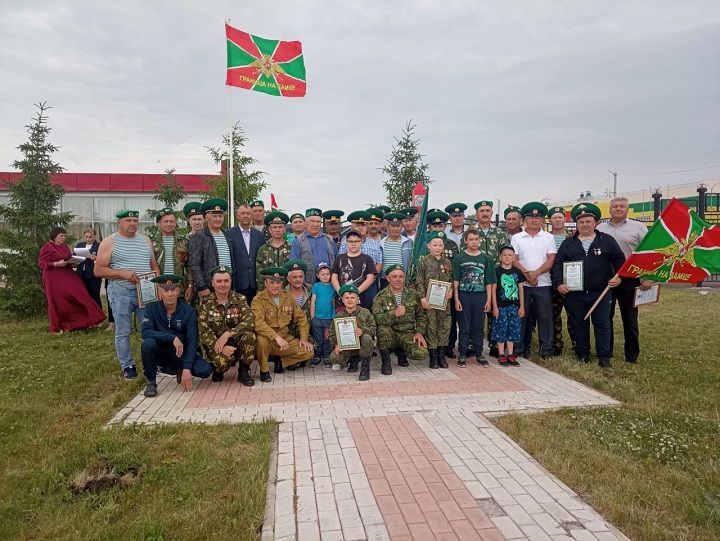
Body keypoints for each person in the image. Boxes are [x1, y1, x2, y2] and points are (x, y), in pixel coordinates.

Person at [552, 203, 625, 368]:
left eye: (588, 221)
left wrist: (618, 278)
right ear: (576, 224)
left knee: (602, 324)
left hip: (600, 291)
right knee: (578, 323)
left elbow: (620, 261)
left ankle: (604, 356)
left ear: (595, 222)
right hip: (575, 293)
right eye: (581, 222)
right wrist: (559, 284)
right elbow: (557, 264)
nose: (585, 225)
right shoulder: (568, 243)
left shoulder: (607, 240)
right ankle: (582, 354)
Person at [95, 209, 160, 379]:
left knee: (150, 328)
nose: (132, 223)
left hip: (145, 292)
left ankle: (154, 362)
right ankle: (128, 365)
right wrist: (122, 273)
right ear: (119, 223)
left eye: (135, 220)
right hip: (121, 291)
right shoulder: (110, 242)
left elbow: (153, 266)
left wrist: (158, 285)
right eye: (128, 220)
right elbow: (98, 270)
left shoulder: (145, 241)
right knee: (123, 330)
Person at [596, 196, 652, 364]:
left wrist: (646, 277)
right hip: (607, 279)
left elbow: (648, 253)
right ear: (610, 209)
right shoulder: (600, 228)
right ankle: (607, 352)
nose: (618, 209)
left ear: (627, 209)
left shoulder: (638, 227)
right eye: (615, 206)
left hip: (630, 279)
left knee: (630, 319)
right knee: (605, 318)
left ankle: (632, 355)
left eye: (621, 206)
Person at [140, 274, 213, 397]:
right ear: (159, 292)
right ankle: (151, 382)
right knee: (147, 344)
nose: (170, 294)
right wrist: (172, 337)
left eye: (173, 290)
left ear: (178, 290)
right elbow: (145, 332)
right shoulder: (151, 308)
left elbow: (192, 341)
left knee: (205, 370)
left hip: (180, 354)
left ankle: (179, 369)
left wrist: (187, 368)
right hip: (161, 352)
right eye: (166, 290)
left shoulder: (188, 311)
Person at [197, 265, 260, 384]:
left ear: (231, 282)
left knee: (250, 336)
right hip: (216, 345)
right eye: (219, 281)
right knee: (221, 363)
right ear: (213, 283)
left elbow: (249, 321)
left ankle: (243, 371)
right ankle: (218, 370)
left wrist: (228, 334)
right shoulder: (206, 304)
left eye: (226, 281)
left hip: (237, 343)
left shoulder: (240, 299)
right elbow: (204, 332)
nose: (222, 284)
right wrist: (219, 345)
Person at [511, 202, 557, 360]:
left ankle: (547, 350)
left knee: (545, 317)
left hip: (543, 284)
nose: (534, 219)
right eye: (530, 216)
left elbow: (551, 259)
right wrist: (528, 276)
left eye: (538, 217)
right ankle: (519, 348)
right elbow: (514, 259)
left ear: (542, 220)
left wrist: (535, 274)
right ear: (524, 219)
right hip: (522, 285)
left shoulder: (549, 237)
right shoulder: (516, 238)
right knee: (521, 316)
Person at [38, 227, 106, 333]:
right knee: (60, 299)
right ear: (54, 236)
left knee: (80, 293)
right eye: (61, 236)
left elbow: (69, 258)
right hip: (53, 277)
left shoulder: (64, 246)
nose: (63, 238)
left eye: (64, 236)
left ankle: (85, 320)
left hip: (67, 273)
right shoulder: (47, 247)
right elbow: (42, 264)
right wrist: (56, 264)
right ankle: (61, 323)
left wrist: (74, 262)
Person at [252, 267, 314, 372]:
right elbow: (258, 323)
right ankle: (264, 370)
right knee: (261, 341)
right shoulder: (258, 299)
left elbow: (302, 318)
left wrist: (303, 339)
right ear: (265, 283)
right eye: (271, 282)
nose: (275, 286)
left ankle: (280, 361)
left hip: (285, 338)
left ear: (282, 284)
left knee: (308, 351)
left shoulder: (287, 297)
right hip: (268, 339)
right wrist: (276, 337)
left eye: (278, 283)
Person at [372, 265, 428, 373]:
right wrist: (394, 314)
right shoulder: (380, 296)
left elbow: (421, 316)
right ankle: (386, 362)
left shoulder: (412, 294)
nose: (398, 279)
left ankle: (401, 354)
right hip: (390, 332)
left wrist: (419, 333)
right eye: (394, 277)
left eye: (401, 276)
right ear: (388, 278)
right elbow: (377, 319)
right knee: (382, 331)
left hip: (407, 332)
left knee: (421, 353)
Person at [453, 229, 495, 367]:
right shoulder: (459, 258)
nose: (474, 242)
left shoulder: (486, 258)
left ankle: (479, 354)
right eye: (471, 239)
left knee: (478, 326)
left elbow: (489, 282)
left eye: (476, 239)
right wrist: (457, 299)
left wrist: (488, 300)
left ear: (480, 240)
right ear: (466, 241)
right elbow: (456, 280)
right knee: (464, 327)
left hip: (480, 296)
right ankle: (463, 354)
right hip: (464, 295)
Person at [473, 200, 508, 357]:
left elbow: (505, 255)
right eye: (482, 211)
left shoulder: (500, 233)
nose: (485, 213)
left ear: (492, 213)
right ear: (477, 214)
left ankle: (495, 345)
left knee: (496, 311)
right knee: (477, 314)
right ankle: (474, 345)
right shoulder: (471, 233)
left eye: (488, 210)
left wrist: (493, 272)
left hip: (496, 278)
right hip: (476, 279)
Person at [416, 231, 454, 369]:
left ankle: (441, 355)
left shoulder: (447, 262)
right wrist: (422, 298)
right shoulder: (424, 262)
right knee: (431, 326)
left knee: (444, 326)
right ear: (428, 246)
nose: (438, 247)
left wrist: (451, 291)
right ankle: (433, 357)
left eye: (440, 245)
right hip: (429, 302)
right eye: (435, 245)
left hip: (444, 302)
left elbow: (451, 280)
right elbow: (419, 281)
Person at [188, 198, 235, 302]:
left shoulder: (228, 236)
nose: (218, 219)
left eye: (220, 216)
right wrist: (202, 287)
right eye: (214, 216)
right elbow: (194, 264)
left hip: (227, 286)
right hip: (209, 288)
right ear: (206, 218)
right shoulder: (198, 237)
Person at [329, 283, 377, 380]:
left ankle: (365, 369)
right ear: (342, 300)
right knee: (334, 358)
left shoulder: (365, 312)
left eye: (352, 297)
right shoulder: (338, 316)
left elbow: (373, 328)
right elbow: (332, 333)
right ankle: (353, 361)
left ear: (357, 299)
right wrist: (336, 345)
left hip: (362, 345)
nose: (350, 300)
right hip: (347, 346)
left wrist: (362, 330)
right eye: (347, 298)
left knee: (367, 338)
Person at [338, 210, 383, 305]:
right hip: (350, 284)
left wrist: (371, 277)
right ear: (352, 226)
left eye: (363, 225)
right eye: (357, 225)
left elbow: (379, 262)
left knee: (370, 309)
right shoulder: (345, 243)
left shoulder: (375, 243)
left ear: (367, 226)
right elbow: (341, 263)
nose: (360, 228)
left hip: (370, 284)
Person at [491, 246, 526, 367]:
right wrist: (494, 307)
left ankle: (510, 354)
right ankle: (501, 354)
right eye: (504, 255)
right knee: (501, 328)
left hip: (514, 306)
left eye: (510, 255)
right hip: (501, 306)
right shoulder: (496, 271)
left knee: (513, 329)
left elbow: (521, 289)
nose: (507, 257)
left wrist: (522, 307)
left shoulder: (517, 272)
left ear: (513, 258)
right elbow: (493, 289)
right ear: (500, 257)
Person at [226, 202, 265, 305]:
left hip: (254, 284)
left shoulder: (259, 235)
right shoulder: (229, 234)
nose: (246, 216)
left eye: (248, 213)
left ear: (252, 215)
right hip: (237, 283)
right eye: (243, 213)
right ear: (237, 215)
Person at [443, 202, 468, 358]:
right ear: (450, 218)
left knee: (465, 315)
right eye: (454, 216)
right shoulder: (445, 234)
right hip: (448, 281)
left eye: (460, 216)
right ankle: (450, 345)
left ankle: (467, 346)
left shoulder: (472, 233)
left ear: (464, 216)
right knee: (450, 315)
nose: (457, 218)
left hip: (468, 282)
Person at [547, 206, 572, 355]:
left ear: (565, 219)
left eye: (560, 217)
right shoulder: (545, 237)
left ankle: (577, 345)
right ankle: (556, 345)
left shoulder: (573, 238)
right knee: (553, 314)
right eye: (554, 217)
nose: (557, 220)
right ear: (550, 220)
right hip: (550, 281)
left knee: (573, 314)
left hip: (569, 281)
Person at [150, 208, 190, 299]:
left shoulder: (184, 242)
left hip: (178, 288)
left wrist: (190, 285)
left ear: (175, 223)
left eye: (171, 221)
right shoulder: (150, 242)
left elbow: (189, 266)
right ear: (159, 223)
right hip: (158, 287)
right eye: (165, 221)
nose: (169, 224)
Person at [290, 208, 337, 283]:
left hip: (329, 285)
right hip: (308, 284)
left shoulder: (330, 240)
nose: (315, 224)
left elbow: (337, 262)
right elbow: (294, 266)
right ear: (305, 222)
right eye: (312, 221)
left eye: (318, 222)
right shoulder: (298, 241)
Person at [332, 230, 377, 309]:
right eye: (350, 241)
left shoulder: (367, 259)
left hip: (361, 300)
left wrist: (356, 293)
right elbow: (334, 276)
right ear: (346, 243)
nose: (353, 244)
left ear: (361, 242)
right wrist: (341, 292)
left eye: (356, 241)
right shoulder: (339, 258)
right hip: (341, 300)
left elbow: (370, 278)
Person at [284, 259, 313, 362]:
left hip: (306, 332)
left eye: (301, 277)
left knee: (310, 351)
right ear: (288, 279)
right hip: (288, 334)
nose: (298, 280)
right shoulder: (282, 294)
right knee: (294, 365)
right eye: (294, 277)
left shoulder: (311, 291)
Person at [255, 211, 291, 291]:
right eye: (274, 227)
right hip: (268, 292)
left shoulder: (291, 248)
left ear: (284, 229)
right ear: (270, 230)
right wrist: (261, 292)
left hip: (287, 292)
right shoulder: (263, 249)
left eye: (280, 227)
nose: (277, 230)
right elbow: (259, 274)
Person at [379, 211, 414, 289]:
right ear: (388, 226)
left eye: (398, 226)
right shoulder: (381, 243)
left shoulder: (408, 242)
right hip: (385, 282)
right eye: (392, 226)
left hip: (403, 281)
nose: (395, 229)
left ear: (401, 226)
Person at [310, 263, 336, 366]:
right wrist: (312, 316)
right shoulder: (316, 286)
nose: (325, 276)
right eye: (322, 274)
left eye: (327, 274)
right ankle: (317, 356)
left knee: (327, 339)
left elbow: (337, 300)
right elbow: (313, 301)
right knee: (318, 338)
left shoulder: (333, 286)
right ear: (317, 275)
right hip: (317, 317)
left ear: (331, 275)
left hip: (329, 318)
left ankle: (327, 356)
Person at [75, 228, 102, 310]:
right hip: (80, 274)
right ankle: (87, 317)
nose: (88, 239)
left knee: (94, 296)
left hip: (93, 275)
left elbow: (104, 259)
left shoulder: (99, 246)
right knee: (82, 296)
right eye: (86, 237)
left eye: (90, 237)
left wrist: (96, 258)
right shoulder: (79, 245)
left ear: (94, 236)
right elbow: (75, 256)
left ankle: (98, 317)